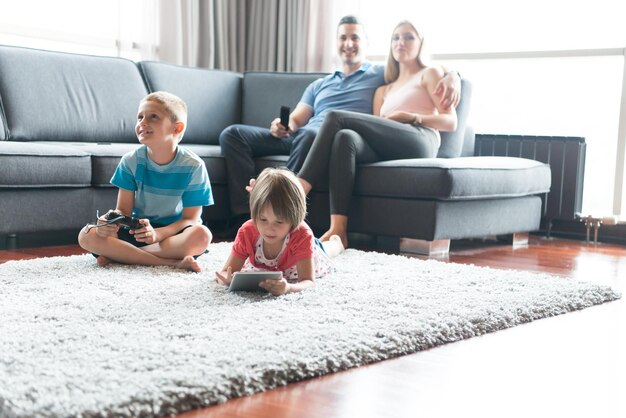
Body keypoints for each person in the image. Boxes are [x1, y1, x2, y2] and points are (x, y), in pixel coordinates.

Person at [218, 15, 461, 236]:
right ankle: (251, 216)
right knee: (235, 133)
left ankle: (290, 193)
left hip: (326, 134)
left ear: (366, 42)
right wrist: (283, 125)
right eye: (343, 37)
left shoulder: (378, 74)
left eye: (355, 37)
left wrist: (453, 75)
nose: (348, 43)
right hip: (308, 134)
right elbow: (301, 118)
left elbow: (437, 89)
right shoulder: (353, 85)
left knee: (328, 125)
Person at [297, 20, 458, 248]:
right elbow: (375, 127)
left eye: (409, 37)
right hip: (391, 145)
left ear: (421, 43)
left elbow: (451, 121)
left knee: (335, 117)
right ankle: (338, 229)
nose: (401, 42)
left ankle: (297, 188)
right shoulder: (384, 88)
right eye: (395, 37)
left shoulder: (429, 73)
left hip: (421, 138)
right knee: (345, 138)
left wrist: (412, 117)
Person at [78, 91, 213, 272]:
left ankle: (122, 255)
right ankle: (170, 262)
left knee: (202, 235)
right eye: (140, 117)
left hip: (172, 234)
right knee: (87, 235)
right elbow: (123, 211)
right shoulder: (130, 161)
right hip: (137, 232)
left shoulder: (194, 166)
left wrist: (158, 234)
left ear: (177, 128)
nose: (142, 122)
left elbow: (191, 219)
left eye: (153, 117)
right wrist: (108, 225)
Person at [215, 167, 344, 296]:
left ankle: (336, 242)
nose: (270, 228)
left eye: (279, 222)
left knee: (326, 248)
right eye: (263, 219)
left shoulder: (302, 235)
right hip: (297, 247)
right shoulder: (247, 232)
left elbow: (308, 281)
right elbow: (226, 272)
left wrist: (288, 288)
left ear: (294, 218)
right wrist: (227, 280)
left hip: (311, 249)